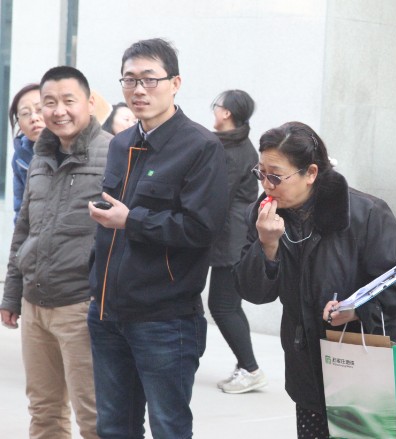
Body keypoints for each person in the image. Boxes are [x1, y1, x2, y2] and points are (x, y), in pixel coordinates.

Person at [234, 121, 396, 438]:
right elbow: (254, 292)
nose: (266, 185)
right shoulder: (263, 216)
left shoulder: (364, 212)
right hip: (308, 367)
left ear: (310, 173)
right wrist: (267, 246)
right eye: (260, 173)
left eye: (276, 176)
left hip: (368, 364)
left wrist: (358, 309)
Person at [87, 38, 228, 438]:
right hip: (107, 313)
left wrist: (131, 221)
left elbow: (201, 229)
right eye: (129, 80)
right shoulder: (120, 143)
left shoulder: (201, 146)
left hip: (164, 319)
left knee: (169, 427)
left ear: (175, 83)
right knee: (113, 426)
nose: (139, 90)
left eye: (150, 79)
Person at [1, 66, 111, 439]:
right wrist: (12, 294)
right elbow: (25, 230)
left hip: (81, 305)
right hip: (35, 304)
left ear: (90, 103)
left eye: (68, 100)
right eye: (49, 102)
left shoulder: (114, 153)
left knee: (94, 417)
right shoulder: (39, 157)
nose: (58, 111)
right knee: (44, 412)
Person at [208, 89, 267, 394]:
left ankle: (251, 369)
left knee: (222, 306)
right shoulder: (232, 144)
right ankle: (246, 366)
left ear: (227, 112)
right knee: (228, 306)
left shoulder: (235, 150)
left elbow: (218, 195)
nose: (214, 111)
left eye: (216, 106)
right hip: (229, 237)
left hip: (231, 240)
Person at [8, 83, 45, 222]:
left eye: (39, 109)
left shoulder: (72, 149)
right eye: (25, 113)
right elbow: (20, 211)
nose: (34, 118)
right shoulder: (19, 158)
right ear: (19, 123)